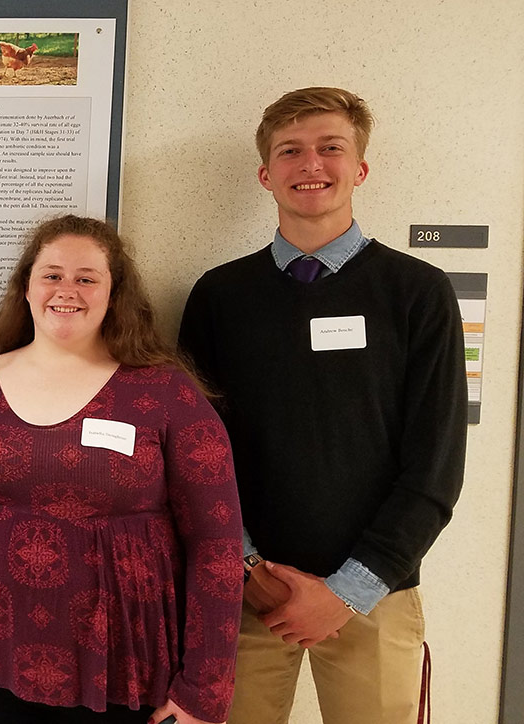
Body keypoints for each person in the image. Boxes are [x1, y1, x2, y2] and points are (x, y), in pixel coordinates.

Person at [177, 87, 467, 724]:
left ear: (360, 168)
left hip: (377, 591)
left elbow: (436, 466)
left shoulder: (420, 293)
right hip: (247, 595)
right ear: (265, 173)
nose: (311, 165)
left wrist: (348, 592)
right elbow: (196, 458)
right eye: (290, 151)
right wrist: (249, 566)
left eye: (330, 148)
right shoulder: (219, 298)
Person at [0, 215, 243, 724]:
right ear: (27, 288)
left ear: (113, 293)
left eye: (87, 277)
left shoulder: (167, 395)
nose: (67, 290)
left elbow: (217, 546)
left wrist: (206, 685)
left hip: (126, 665)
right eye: (52, 274)